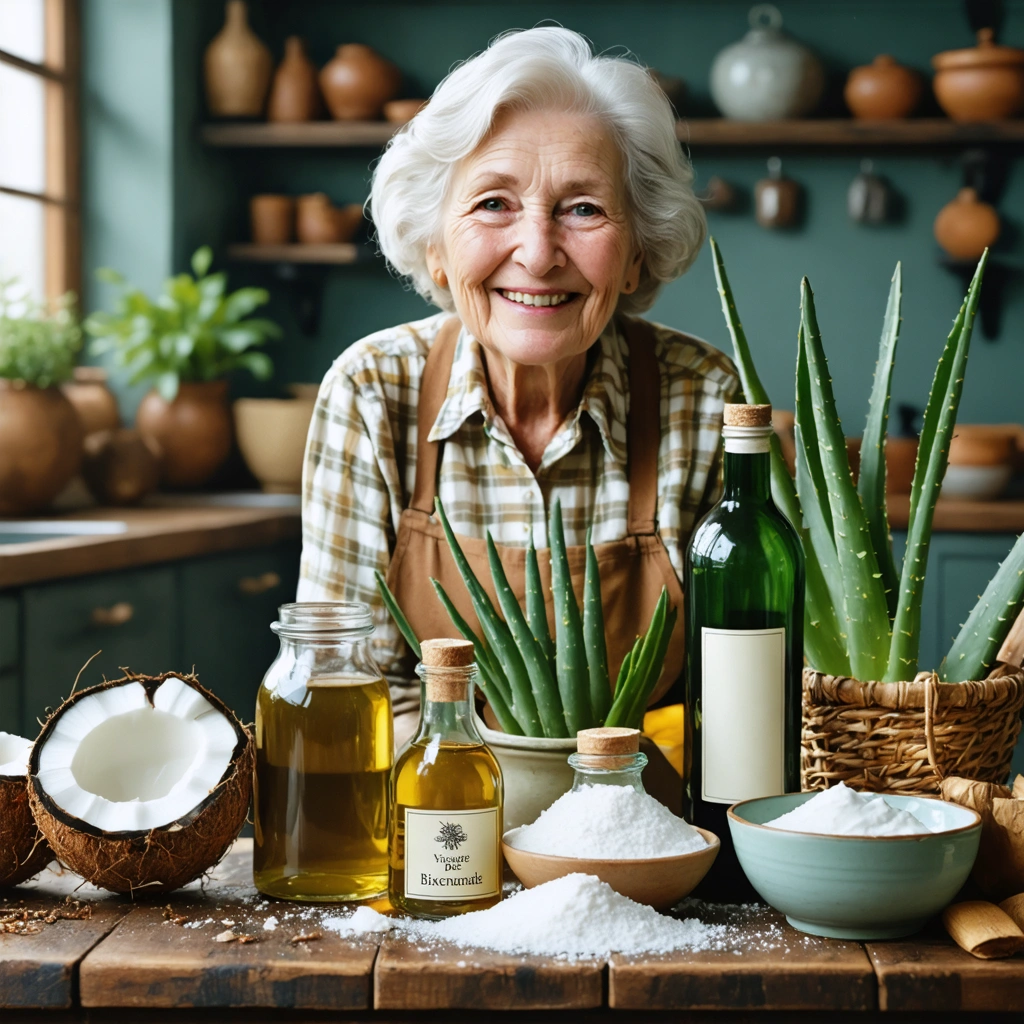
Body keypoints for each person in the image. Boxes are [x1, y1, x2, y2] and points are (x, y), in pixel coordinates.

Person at [298, 26, 738, 741]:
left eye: (584, 208)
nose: (536, 254)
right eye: (493, 204)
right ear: (437, 249)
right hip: (434, 823)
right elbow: (339, 690)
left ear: (635, 256)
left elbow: (744, 698)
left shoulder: (706, 400)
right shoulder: (374, 391)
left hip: (644, 823)